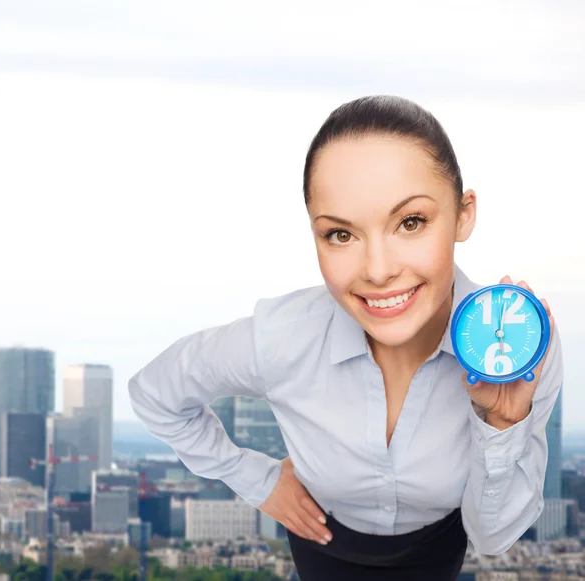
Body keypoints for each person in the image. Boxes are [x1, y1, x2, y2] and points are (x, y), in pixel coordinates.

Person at [128, 95, 563, 580]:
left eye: (411, 223)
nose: (378, 271)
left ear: (463, 215)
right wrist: (258, 480)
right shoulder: (283, 337)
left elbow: (492, 536)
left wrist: (501, 423)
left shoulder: (518, 343)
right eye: (340, 235)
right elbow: (155, 393)